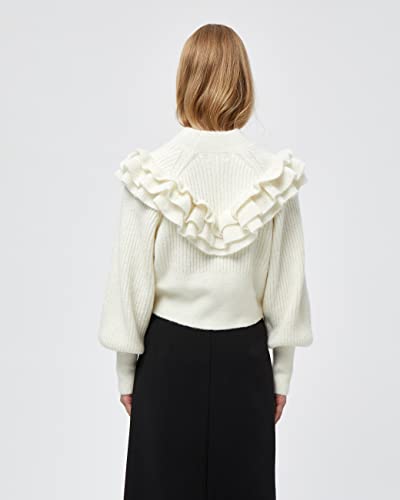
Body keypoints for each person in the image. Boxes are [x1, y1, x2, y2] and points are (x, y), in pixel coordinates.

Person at [98, 23, 313, 500]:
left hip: (166, 359)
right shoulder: (273, 178)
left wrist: (125, 371)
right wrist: (281, 375)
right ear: (244, 83)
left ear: (185, 80)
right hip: (246, 361)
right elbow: (286, 284)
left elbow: (131, 281)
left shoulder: (152, 174)